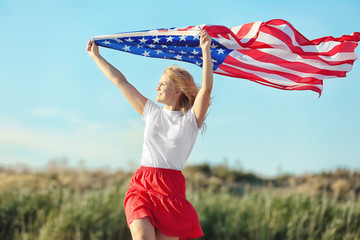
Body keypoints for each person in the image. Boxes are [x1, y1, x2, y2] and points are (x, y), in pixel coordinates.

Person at [86, 29, 213, 240]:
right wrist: (96, 56)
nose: (157, 87)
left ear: (177, 90)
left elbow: (206, 89)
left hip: (171, 191)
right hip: (143, 185)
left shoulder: (190, 121)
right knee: (142, 237)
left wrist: (206, 51)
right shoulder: (152, 112)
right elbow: (121, 82)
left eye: (162, 84)